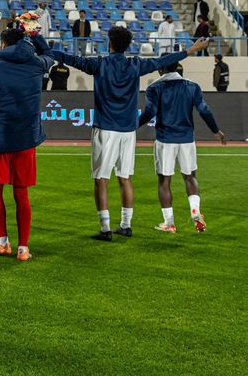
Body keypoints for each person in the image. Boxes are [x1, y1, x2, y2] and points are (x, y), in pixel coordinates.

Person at [45, 28, 209, 241]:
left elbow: (70, 59)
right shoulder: (136, 65)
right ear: (128, 45)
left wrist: (43, 48)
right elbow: (163, 61)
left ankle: (105, 228)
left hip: (106, 128)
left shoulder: (100, 64)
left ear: (109, 43)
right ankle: (126, 225)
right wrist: (190, 50)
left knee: (101, 179)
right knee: (125, 178)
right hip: (128, 131)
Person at [0, 28, 56, 261]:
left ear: (2, 44)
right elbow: (50, 54)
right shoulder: (36, 64)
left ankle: (3, 241)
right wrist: (35, 34)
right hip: (26, 139)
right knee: (21, 193)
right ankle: (23, 248)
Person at [139, 63, 225, 233]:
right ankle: (195, 211)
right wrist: (215, 130)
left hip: (165, 139)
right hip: (187, 139)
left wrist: (132, 126)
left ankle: (169, 223)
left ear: (160, 70)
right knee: (190, 177)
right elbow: (204, 110)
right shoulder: (193, 86)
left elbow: (149, 112)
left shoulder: (154, 88)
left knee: (164, 181)